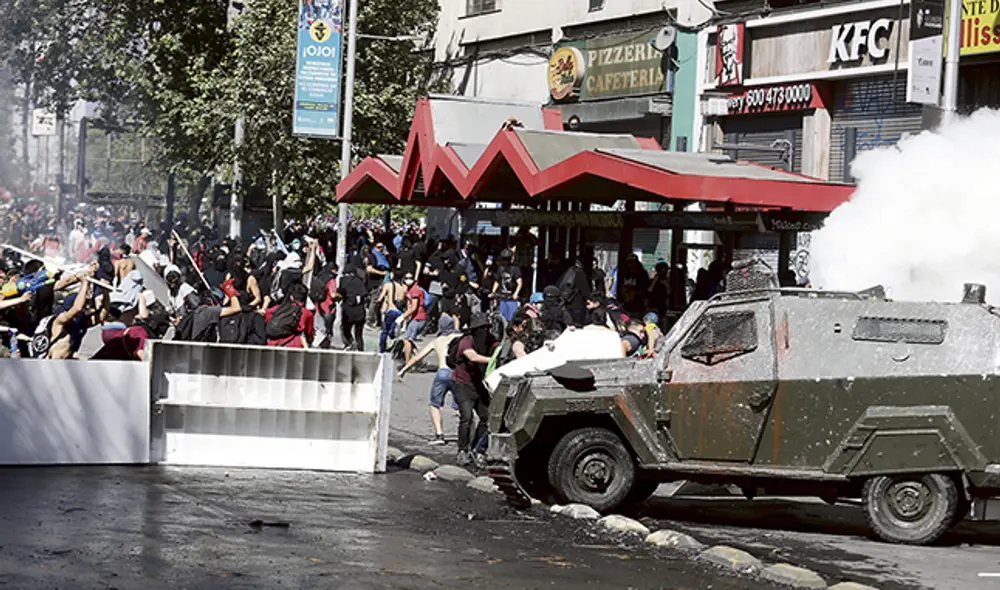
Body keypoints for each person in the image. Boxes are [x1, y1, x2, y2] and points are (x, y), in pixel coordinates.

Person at [398, 316, 462, 446]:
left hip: (442, 373)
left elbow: (418, 357)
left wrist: (404, 369)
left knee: (435, 405)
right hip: (457, 373)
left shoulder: (437, 341)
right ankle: (465, 435)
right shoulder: (459, 338)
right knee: (460, 405)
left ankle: (439, 434)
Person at [452, 312, 494, 468]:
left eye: (486, 328)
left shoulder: (489, 340)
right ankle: (462, 451)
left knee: (487, 417)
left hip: (479, 384)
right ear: (475, 330)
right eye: (482, 328)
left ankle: (477, 449)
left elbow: (499, 347)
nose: (485, 331)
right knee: (467, 417)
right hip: (462, 384)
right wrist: (494, 360)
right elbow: (473, 357)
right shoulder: (466, 341)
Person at [265, 282, 314, 348]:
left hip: (272, 345)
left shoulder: (279, 308)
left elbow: (266, 314)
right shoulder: (307, 313)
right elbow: (309, 333)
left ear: (291, 297)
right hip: (294, 346)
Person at [337, 256, 368, 350]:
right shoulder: (359, 281)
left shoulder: (343, 281)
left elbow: (340, 292)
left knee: (345, 329)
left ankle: (349, 344)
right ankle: (360, 350)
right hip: (360, 312)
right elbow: (364, 294)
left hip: (348, 311)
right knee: (359, 334)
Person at [376, 269, 407, 353]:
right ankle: (393, 337)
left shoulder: (388, 285)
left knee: (384, 332)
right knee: (395, 331)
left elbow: (380, 299)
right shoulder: (404, 287)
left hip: (390, 310)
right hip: (400, 312)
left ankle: (382, 350)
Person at [399, 271, 427, 363]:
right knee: (409, 340)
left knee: (407, 340)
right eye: (406, 278)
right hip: (416, 318)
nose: (408, 280)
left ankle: (408, 362)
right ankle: (419, 360)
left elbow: (414, 307)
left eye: (410, 278)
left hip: (418, 317)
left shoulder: (415, 290)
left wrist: (402, 317)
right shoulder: (411, 290)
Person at [491, 249, 521, 323]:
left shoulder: (515, 269)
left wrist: (516, 293)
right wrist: (493, 292)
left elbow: (519, 283)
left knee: (511, 319)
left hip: (511, 299)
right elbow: (497, 281)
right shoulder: (500, 269)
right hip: (502, 298)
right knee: (502, 318)